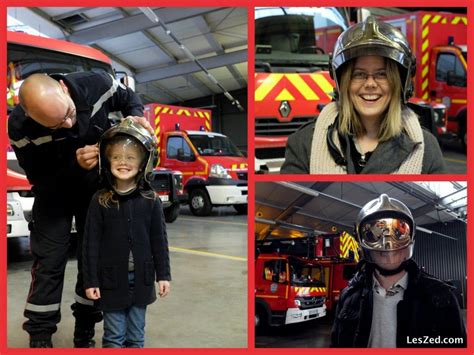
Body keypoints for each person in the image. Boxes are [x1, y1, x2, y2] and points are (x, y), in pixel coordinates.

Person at [8, 71, 155, 348]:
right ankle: (40, 337)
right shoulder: (19, 127)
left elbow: (127, 96)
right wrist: (74, 166)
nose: (69, 124)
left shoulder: (96, 84)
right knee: (48, 264)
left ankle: (85, 329)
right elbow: (39, 180)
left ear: (64, 88)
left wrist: (136, 114)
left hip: (95, 191)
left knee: (94, 260)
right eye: (56, 125)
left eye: (69, 114)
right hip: (53, 196)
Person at [281, 16, 446, 174]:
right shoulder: (303, 144)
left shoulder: (426, 149)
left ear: (399, 83)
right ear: (343, 83)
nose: (370, 84)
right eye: (359, 74)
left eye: (382, 74)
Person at [331, 194, 466, 348]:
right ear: (361, 239)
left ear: (412, 236)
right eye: (375, 234)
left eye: (398, 232)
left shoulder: (441, 297)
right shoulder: (348, 296)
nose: (387, 243)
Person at [83, 119, 171, 348]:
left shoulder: (151, 200)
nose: (123, 162)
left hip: (142, 280)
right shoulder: (99, 200)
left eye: (131, 157)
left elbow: (159, 241)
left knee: (136, 337)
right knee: (114, 336)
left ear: (144, 163)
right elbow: (90, 244)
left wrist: (163, 275)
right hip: (111, 281)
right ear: (107, 161)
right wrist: (90, 280)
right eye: (117, 157)